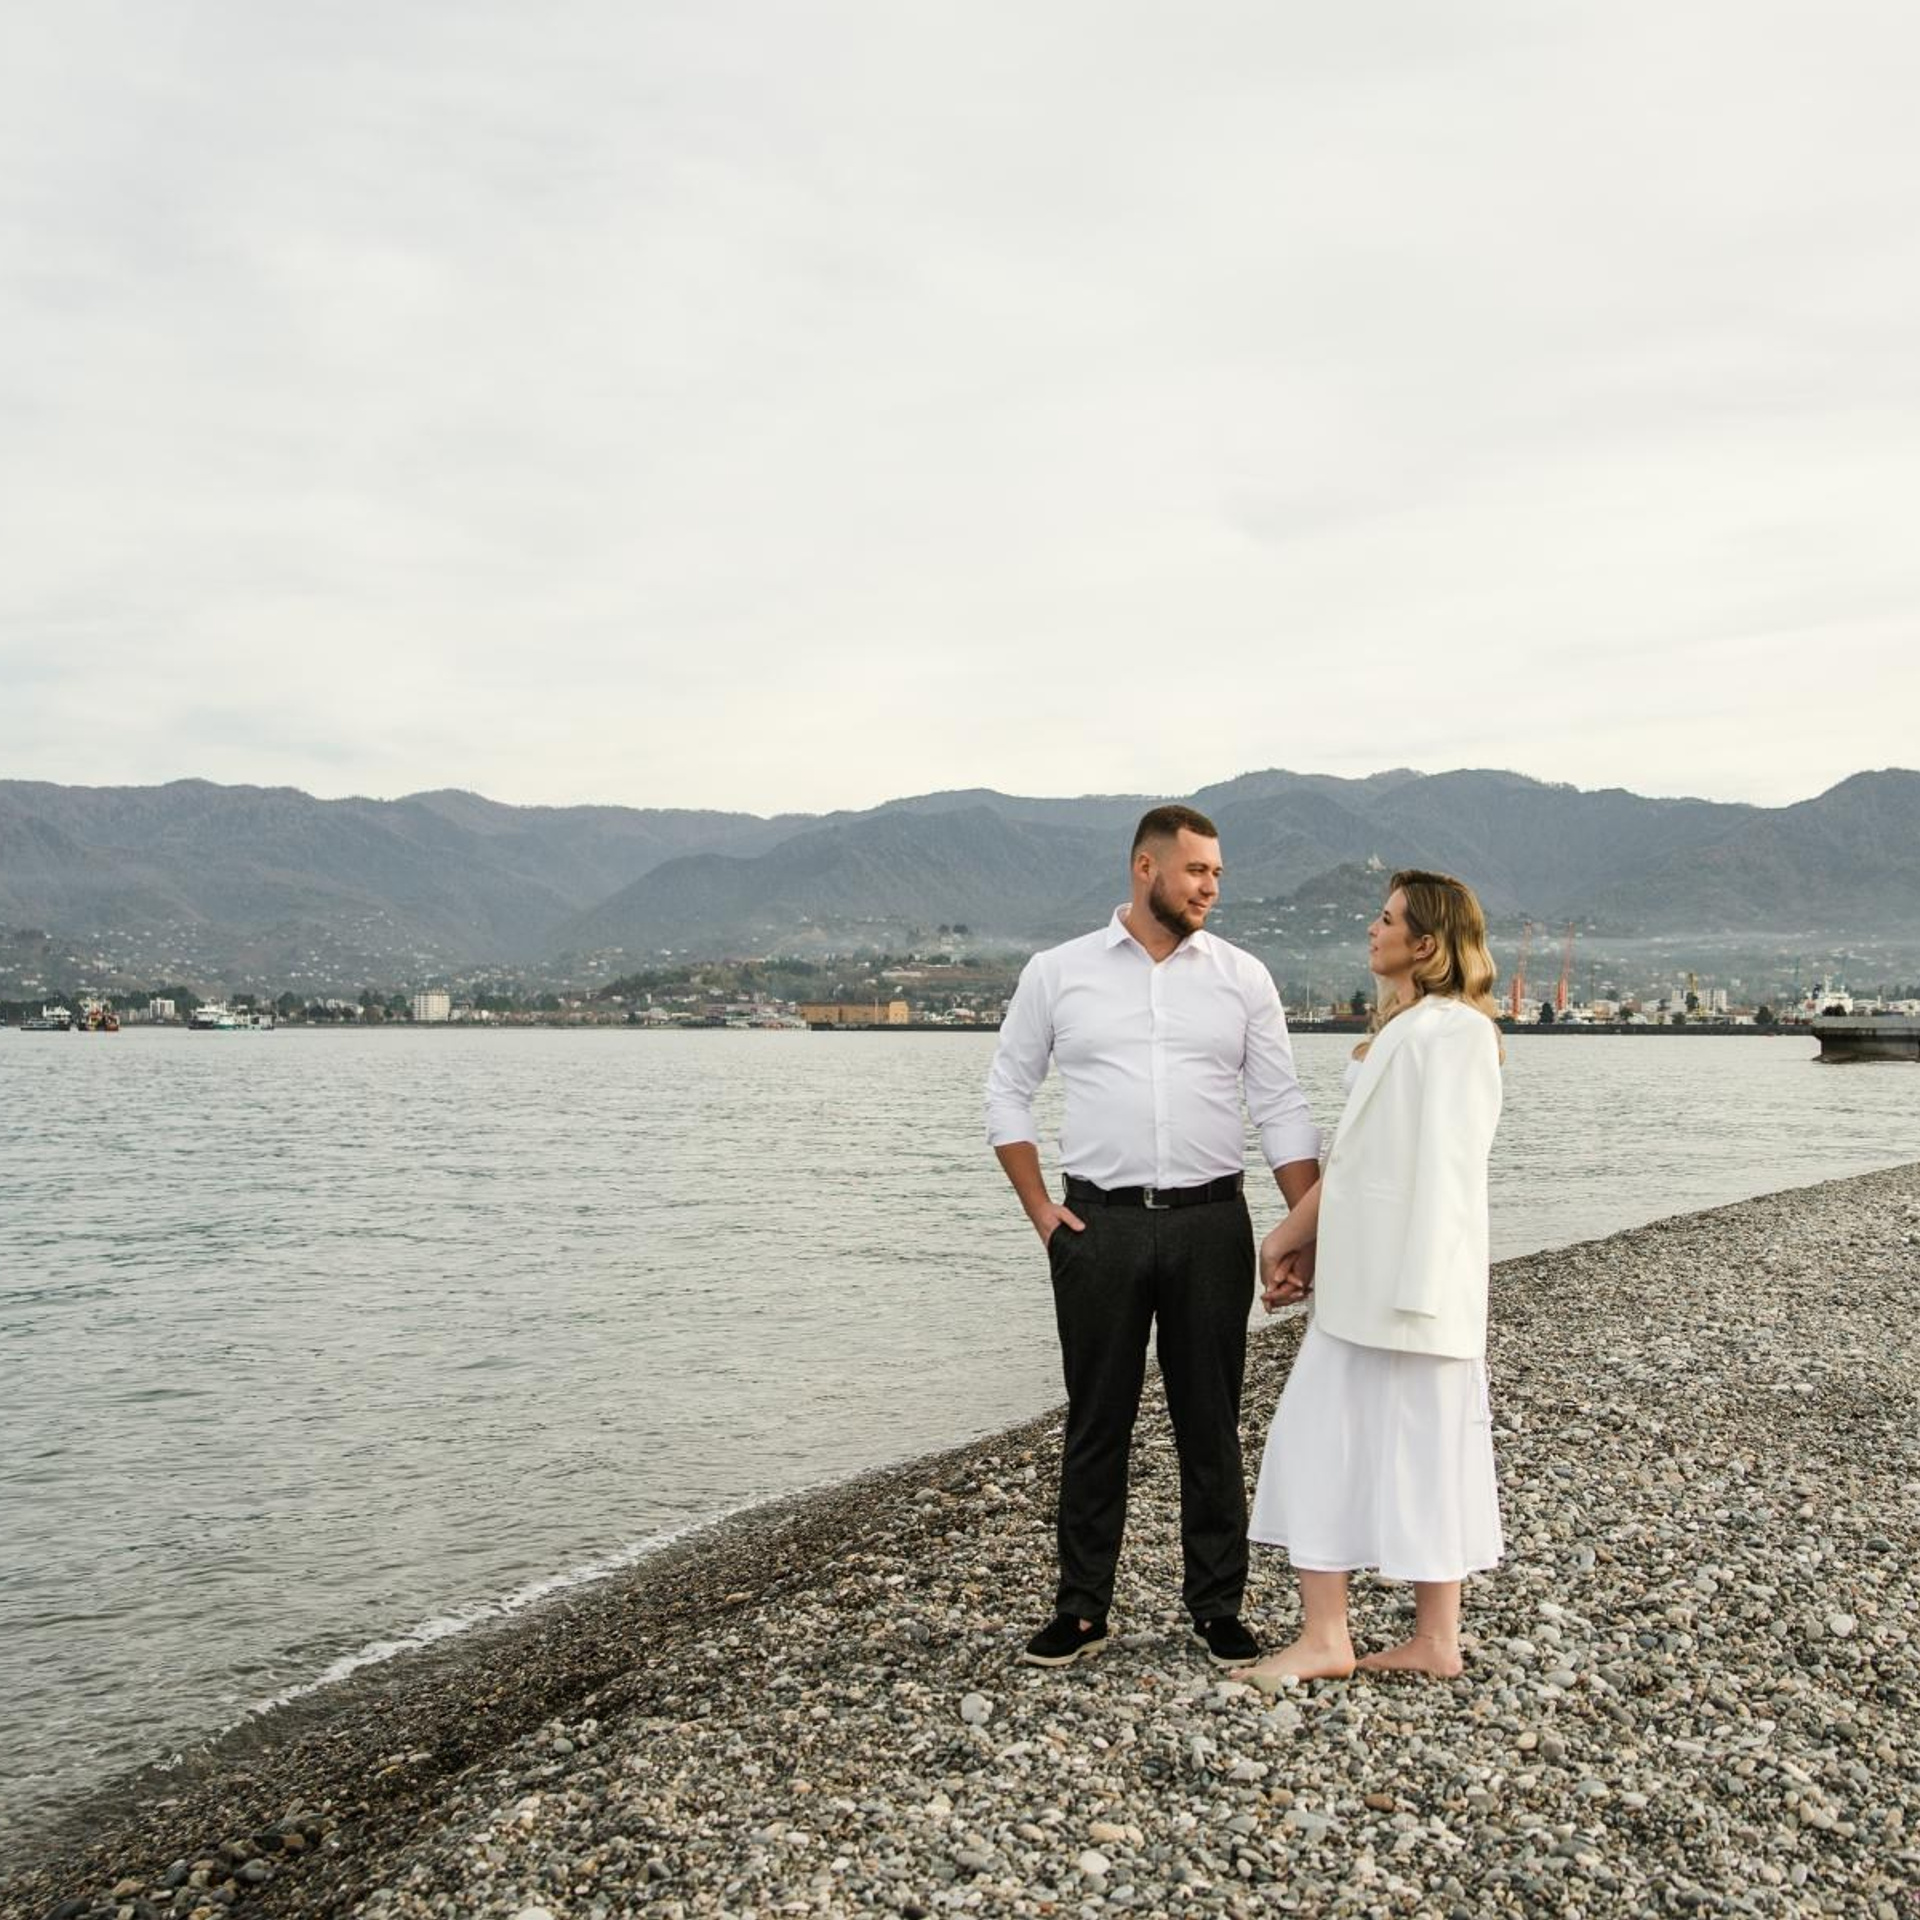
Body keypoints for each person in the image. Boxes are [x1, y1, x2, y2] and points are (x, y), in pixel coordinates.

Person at [985, 804, 1321, 1669]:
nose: (1211, 886)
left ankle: (1217, 1608)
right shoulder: (1058, 974)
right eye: (1197, 871)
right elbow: (1007, 1092)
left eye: (1217, 873)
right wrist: (1039, 1213)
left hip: (1213, 1223)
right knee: (1097, 1422)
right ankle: (1082, 1609)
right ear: (1146, 868)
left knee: (1210, 1423)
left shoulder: (1244, 977)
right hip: (1098, 1226)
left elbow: (1280, 1108)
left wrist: (1301, 1230)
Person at [1235, 869, 1504, 1689]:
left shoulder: (1450, 1033)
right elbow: (1361, 1166)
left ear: (1424, 944)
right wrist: (1301, 1241)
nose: (1371, 929)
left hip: (1407, 1294)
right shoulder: (1415, 1028)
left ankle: (1329, 1637)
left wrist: (1293, 1238)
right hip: (1386, 1287)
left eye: (1385, 920)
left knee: (1320, 1437)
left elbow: (1445, 1172)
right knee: (1424, 1447)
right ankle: (1433, 1639)